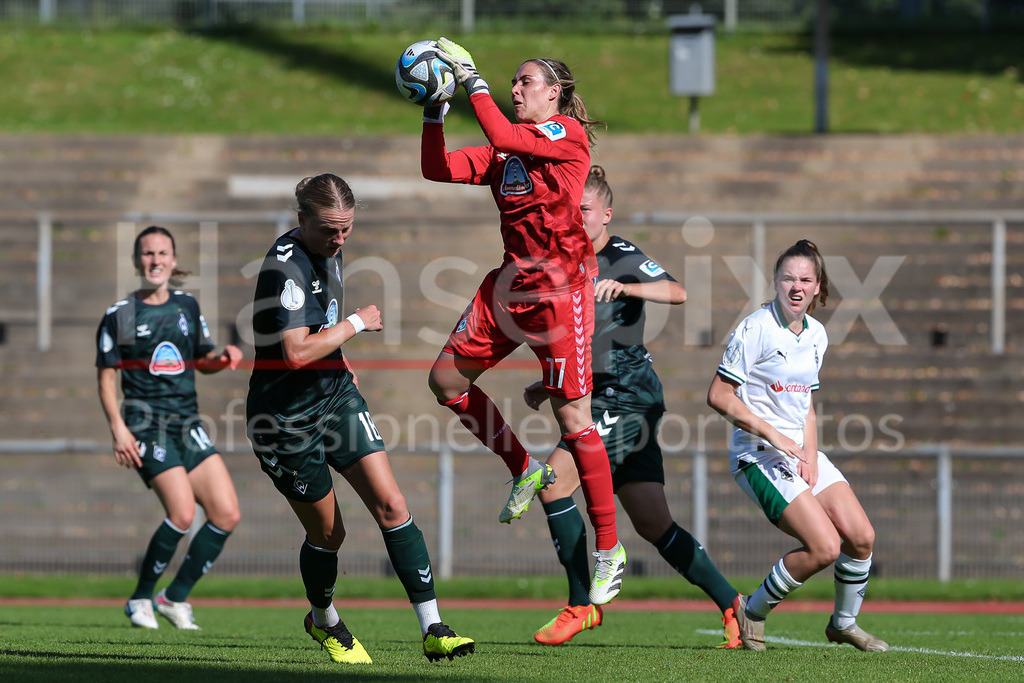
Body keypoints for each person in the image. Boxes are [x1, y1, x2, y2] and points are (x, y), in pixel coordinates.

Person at [420, 37, 626, 606]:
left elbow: (506, 134)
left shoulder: (567, 135)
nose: (514, 90)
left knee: (574, 416)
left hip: (560, 294)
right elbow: (435, 168)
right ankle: (524, 467)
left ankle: (609, 548)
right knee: (445, 382)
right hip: (509, 289)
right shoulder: (505, 152)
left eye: (525, 82)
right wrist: (434, 113)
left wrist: (472, 81)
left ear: (554, 94)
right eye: (510, 83)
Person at [245, 173, 474, 665]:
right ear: (302, 220)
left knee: (392, 504)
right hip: (284, 422)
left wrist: (340, 359)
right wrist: (355, 325)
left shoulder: (328, 248)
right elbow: (294, 352)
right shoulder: (283, 270)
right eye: (330, 230)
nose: (340, 239)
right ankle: (323, 620)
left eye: (347, 229)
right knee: (330, 534)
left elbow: (319, 325)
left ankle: (434, 627)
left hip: (334, 399)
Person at [523, 166, 742, 648]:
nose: (575, 218)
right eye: (570, 210)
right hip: (600, 396)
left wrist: (628, 287)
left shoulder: (620, 256)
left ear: (605, 214)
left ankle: (581, 606)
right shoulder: (568, 263)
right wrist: (549, 384)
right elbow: (583, 342)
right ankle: (733, 605)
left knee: (554, 486)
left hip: (626, 396)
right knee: (653, 522)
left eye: (583, 210)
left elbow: (678, 291)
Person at [706, 239, 889, 652]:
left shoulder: (818, 335)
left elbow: (805, 402)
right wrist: (774, 436)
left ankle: (843, 624)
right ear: (775, 281)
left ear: (817, 285)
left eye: (805, 279)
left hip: (799, 451)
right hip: (758, 455)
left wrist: (809, 453)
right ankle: (751, 612)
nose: (796, 286)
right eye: (788, 277)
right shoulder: (754, 328)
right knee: (825, 547)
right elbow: (718, 395)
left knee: (861, 536)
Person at [95, 225, 243, 631]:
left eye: (162, 253)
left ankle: (173, 598)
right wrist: (119, 429)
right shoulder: (121, 314)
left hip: (188, 423)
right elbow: (107, 379)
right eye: (147, 254)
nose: (155, 260)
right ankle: (140, 598)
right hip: (146, 425)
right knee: (180, 513)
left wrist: (223, 358)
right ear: (136, 261)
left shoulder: (186, 307)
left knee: (227, 513)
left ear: (173, 260)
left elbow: (202, 361)